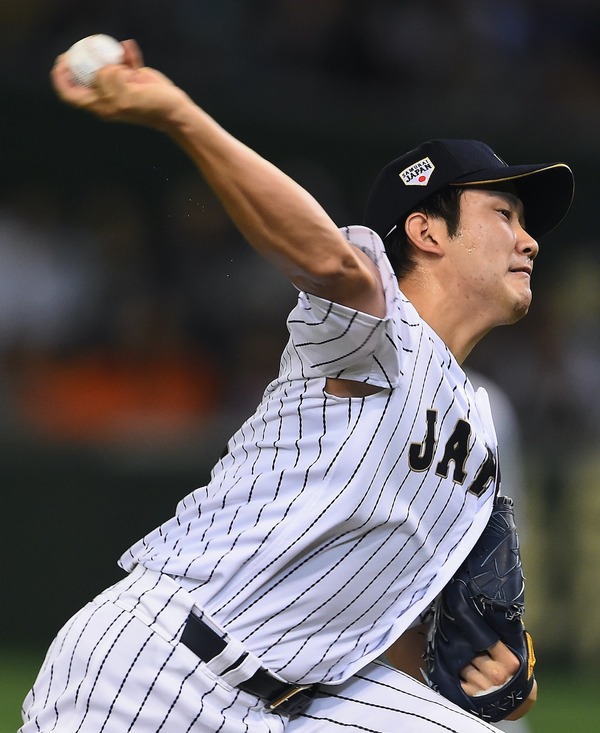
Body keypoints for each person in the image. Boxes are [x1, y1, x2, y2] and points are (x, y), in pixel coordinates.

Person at [21, 39, 574, 733]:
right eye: (505, 215)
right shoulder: (376, 331)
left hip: (303, 701)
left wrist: (498, 674)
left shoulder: (479, 428)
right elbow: (329, 263)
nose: (529, 241)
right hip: (159, 668)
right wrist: (179, 115)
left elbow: (405, 627)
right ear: (426, 230)